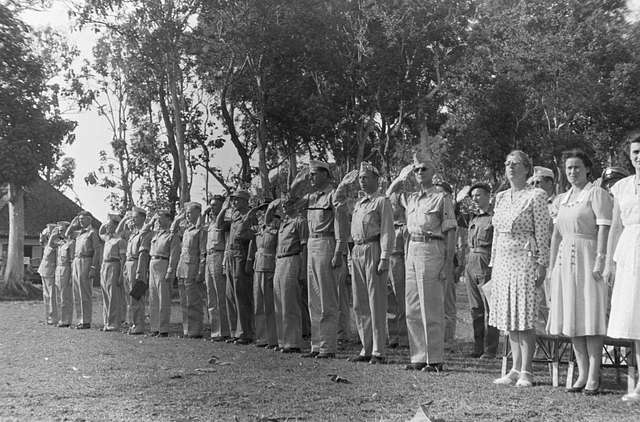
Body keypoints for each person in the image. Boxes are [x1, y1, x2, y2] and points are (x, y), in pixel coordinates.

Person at [547, 149, 612, 395]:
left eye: (577, 167)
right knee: (572, 315)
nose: (572, 172)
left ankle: (595, 373)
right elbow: (556, 235)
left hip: (588, 255)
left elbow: (604, 228)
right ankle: (582, 372)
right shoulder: (562, 199)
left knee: (589, 313)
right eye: (569, 168)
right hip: (565, 258)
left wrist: (601, 260)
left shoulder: (596, 194)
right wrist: (552, 267)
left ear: (587, 169)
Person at [386, 153, 457, 372]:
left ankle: (434, 359)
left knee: (431, 305)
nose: (419, 173)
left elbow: (451, 230)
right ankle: (418, 356)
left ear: (433, 172)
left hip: (432, 248)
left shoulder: (441, 197)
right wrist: (400, 177)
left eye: (423, 169)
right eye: (416, 170)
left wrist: (447, 262)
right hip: (412, 249)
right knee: (413, 306)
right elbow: (389, 198)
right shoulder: (412, 198)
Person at [490, 150, 550, 387]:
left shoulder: (536, 195)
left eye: (515, 164)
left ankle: (527, 370)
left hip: (525, 258)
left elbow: (543, 233)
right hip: (503, 260)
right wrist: (494, 263)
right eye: (507, 164)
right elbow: (496, 233)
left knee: (524, 316)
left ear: (527, 168)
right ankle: (514, 368)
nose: (510, 167)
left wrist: (541, 264)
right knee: (510, 317)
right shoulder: (502, 197)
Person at [291, 160, 348, 359]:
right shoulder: (311, 197)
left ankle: (328, 347)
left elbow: (341, 223)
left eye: (314, 174)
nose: (311, 177)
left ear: (325, 174)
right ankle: (316, 345)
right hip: (312, 245)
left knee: (327, 298)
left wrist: (340, 250)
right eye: (310, 174)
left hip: (327, 244)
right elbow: (289, 204)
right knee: (313, 298)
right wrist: (297, 182)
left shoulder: (334, 195)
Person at [340, 162, 394, 364]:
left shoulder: (382, 201)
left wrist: (385, 256)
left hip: (373, 249)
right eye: (360, 178)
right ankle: (366, 348)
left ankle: (379, 350)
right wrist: (348, 257)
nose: (362, 181)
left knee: (376, 302)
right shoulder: (359, 204)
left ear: (376, 179)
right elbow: (352, 232)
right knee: (360, 303)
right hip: (357, 251)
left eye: (366, 178)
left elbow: (388, 230)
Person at [603, 131, 640, 402]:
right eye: (635, 152)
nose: (639, 157)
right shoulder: (622, 187)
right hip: (628, 250)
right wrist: (609, 263)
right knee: (634, 319)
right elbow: (615, 226)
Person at [216, 191, 258, 344]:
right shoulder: (233, 215)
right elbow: (219, 225)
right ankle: (235, 331)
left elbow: (254, 238)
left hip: (242, 254)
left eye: (237, 200)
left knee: (242, 295)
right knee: (230, 294)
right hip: (230, 254)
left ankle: (245, 333)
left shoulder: (251, 215)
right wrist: (223, 208)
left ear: (246, 201)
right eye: (232, 200)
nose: (234, 203)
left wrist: (249, 260)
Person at [465, 182, 499, 359]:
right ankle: (477, 347)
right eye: (473, 196)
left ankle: (490, 349)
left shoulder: (495, 217)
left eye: (478, 195)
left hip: (486, 262)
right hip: (471, 262)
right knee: (475, 308)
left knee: (490, 308)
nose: (475, 199)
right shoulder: (474, 218)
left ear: (488, 196)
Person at [271, 194, 308, 353]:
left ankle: (293, 342)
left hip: (292, 259)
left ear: (296, 204)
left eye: (289, 203)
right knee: (279, 301)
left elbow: (304, 246)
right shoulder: (283, 223)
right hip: (280, 260)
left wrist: (303, 269)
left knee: (290, 301)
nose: (285, 206)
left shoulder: (299, 221)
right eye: (283, 204)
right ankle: (283, 341)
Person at [116, 207, 152, 335]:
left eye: (135, 217)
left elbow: (143, 254)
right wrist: (125, 218)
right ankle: (132, 324)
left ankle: (139, 325)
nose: (133, 219)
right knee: (129, 298)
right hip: (128, 263)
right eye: (132, 217)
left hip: (137, 264)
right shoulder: (132, 233)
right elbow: (118, 232)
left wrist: (139, 270)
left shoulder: (145, 233)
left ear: (143, 218)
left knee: (137, 297)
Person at [175, 202, 207, 338]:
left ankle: (196, 330)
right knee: (184, 300)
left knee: (194, 301)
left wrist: (201, 271)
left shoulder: (201, 230)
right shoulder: (187, 230)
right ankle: (187, 329)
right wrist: (178, 218)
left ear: (198, 213)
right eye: (186, 213)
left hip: (193, 268)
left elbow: (203, 252)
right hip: (182, 267)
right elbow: (173, 230)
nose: (187, 215)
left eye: (190, 212)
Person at [146, 210, 180, 337]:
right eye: (157, 218)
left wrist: (170, 270)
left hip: (163, 264)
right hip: (153, 263)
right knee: (153, 297)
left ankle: (163, 329)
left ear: (168, 219)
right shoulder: (156, 234)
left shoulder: (172, 235)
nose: (158, 220)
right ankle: (154, 328)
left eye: (160, 218)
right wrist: (151, 221)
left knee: (163, 298)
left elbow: (174, 255)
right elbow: (144, 232)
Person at [248, 208, 279, 349]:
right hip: (258, 267)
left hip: (269, 267)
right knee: (259, 304)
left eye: (263, 212)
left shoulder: (275, 229)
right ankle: (261, 337)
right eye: (259, 213)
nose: (260, 215)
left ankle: (273, 338)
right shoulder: (259, 230)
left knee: (269, 304)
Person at [433, 177, 459, 348]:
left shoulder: (453, 214)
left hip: (447, 259)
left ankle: (448, 340)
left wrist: (452, 263)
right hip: (432, 257)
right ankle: (435, 338)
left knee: (447, 302)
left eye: (441, 192)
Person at [66, 211, 101, 329]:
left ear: (90, 220)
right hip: (76, 261)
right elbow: (67, 234)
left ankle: (86, 321)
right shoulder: (79, 233)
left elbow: (97, 251)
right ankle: (80, 319)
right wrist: (72, 224)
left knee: (84, 292)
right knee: (76, 292)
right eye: (79, 219)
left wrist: (93, 267)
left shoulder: (92, 233)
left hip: (86, 260)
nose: (80, 221)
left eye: (83, 219)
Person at [204, 195, 232, 341]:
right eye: (211, 205)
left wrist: (224, 263)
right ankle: (215, 331)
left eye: (215, 205)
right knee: (211, 295)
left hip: (219, 256)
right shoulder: (210, 224)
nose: (211, 208)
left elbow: (227, 242)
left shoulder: (225, 222)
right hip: (209, 257)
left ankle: (224, 331)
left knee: (221, 295)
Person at [98, 214, 127, 332]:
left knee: (113, 296)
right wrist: (106, 222)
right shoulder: (108, 239)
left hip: (115, 266)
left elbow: (123, 259)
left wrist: (121, 275)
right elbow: (100, 232)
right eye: (107, 225)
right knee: (105, 295)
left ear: (116, 226)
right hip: (105, 266)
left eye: (109, 225)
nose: (107, 228)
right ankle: (107, 322)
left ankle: (114, 323)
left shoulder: (120, 240)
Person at [387, 192, 407, 348]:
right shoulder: (386, 225)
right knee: (389, 302)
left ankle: (404, 337)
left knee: (402, 301)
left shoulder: (404, 227)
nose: (391, 208)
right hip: (386, 262)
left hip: (399, 262)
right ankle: (392, 336)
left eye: (393, 205)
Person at [51, 221, 74, 327]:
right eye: (59, 230)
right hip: (58, 269)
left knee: (65, 296)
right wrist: (53, 234)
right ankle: (61, 318)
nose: (60, 233)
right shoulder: (60, 243)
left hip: (66, 269)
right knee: (59, 296)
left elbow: (72, 260)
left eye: (62, 230)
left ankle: (66, 320)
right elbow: (50, 244)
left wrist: (71, 275)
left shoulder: (71, 243)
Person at [37, 224, 58, 325]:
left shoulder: (56, 244)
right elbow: (43, 244)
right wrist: (42, 238)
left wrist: (52, 236)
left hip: (51, 271)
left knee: (52, 296)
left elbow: (49, 251)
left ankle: (53, 318)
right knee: (46, 295)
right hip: (44, 270)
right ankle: (47, 318)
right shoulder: (47, 244)